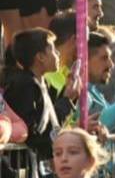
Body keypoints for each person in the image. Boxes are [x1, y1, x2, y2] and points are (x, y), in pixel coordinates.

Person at [3, 28, 71, 161]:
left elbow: (52, 121)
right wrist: (67, 101)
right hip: (23, 166)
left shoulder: (42, 83)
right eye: (52, 49)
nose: (58, 53)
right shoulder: (24, 85)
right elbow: (34, 131)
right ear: (40, 57)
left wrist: (68, 95)